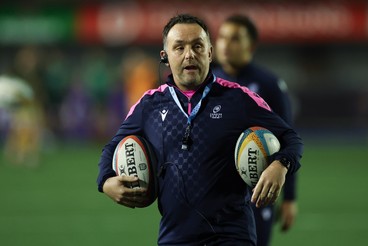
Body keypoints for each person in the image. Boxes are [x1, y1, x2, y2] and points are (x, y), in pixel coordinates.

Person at [97, 14, 303, 246]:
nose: (189, 54)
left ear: (210, 53)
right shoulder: (149, 105)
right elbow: (112, 147)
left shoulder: (239, 99)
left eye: (197, 46)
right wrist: (105, 182)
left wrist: (280, 165)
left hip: (232, 236)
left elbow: (291, 139)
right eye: (179, 47)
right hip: (174, 237)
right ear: (165, 56)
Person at [213, 15, 298, 246]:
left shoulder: (269, 84)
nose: (225, 45)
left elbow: (289, 139)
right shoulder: (209, 82)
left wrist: (289, 197)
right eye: (221, 37)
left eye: (234, 39)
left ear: (250, 46)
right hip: (218, 193)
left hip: (257, 192)